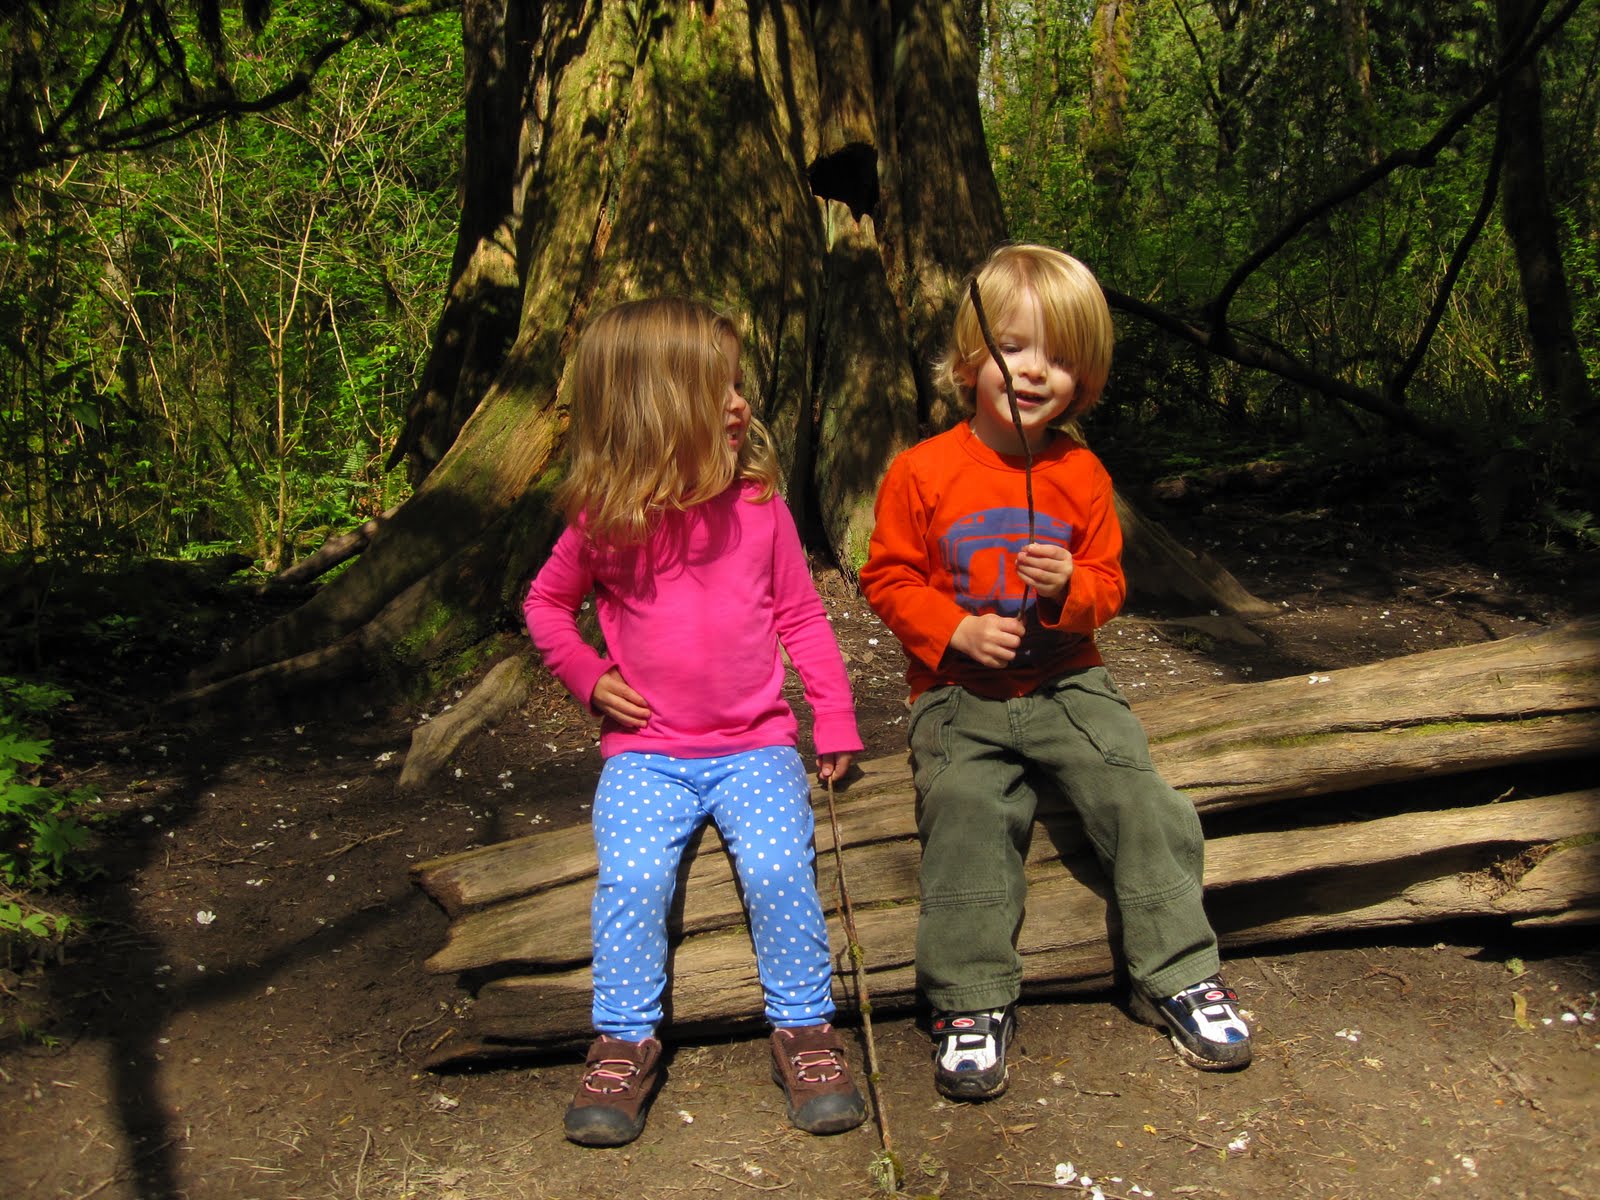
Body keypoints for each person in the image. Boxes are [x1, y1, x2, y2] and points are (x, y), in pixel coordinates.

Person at [859, 244, 1251, 1102]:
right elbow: (886, 577)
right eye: (1016, 347)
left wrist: (1072, 588)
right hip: (958, 694)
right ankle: (969, 1001)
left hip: (1070, 683)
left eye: (1063, 358)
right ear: (972, 359)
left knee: (1140, 795)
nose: (1037, 371)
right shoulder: (922, 470)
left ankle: (1179, 971)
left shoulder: (1081, 476)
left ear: (1088, 380)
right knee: (964, 809)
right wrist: (955, 629)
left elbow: (1109, 583)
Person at [523, 297, 868, 1147]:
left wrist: (835, 716)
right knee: (634, 884)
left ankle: (805, 1029)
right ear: (650, 405)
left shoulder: (759, 508)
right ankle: (622, 1039)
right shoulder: (606, 518)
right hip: (647, 756)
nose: (739, 402)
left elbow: (802, 618)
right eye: (716, 387)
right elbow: (546, 605)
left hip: (755, 745)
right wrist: (589, 676)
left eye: (736, 382)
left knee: (783, 872)